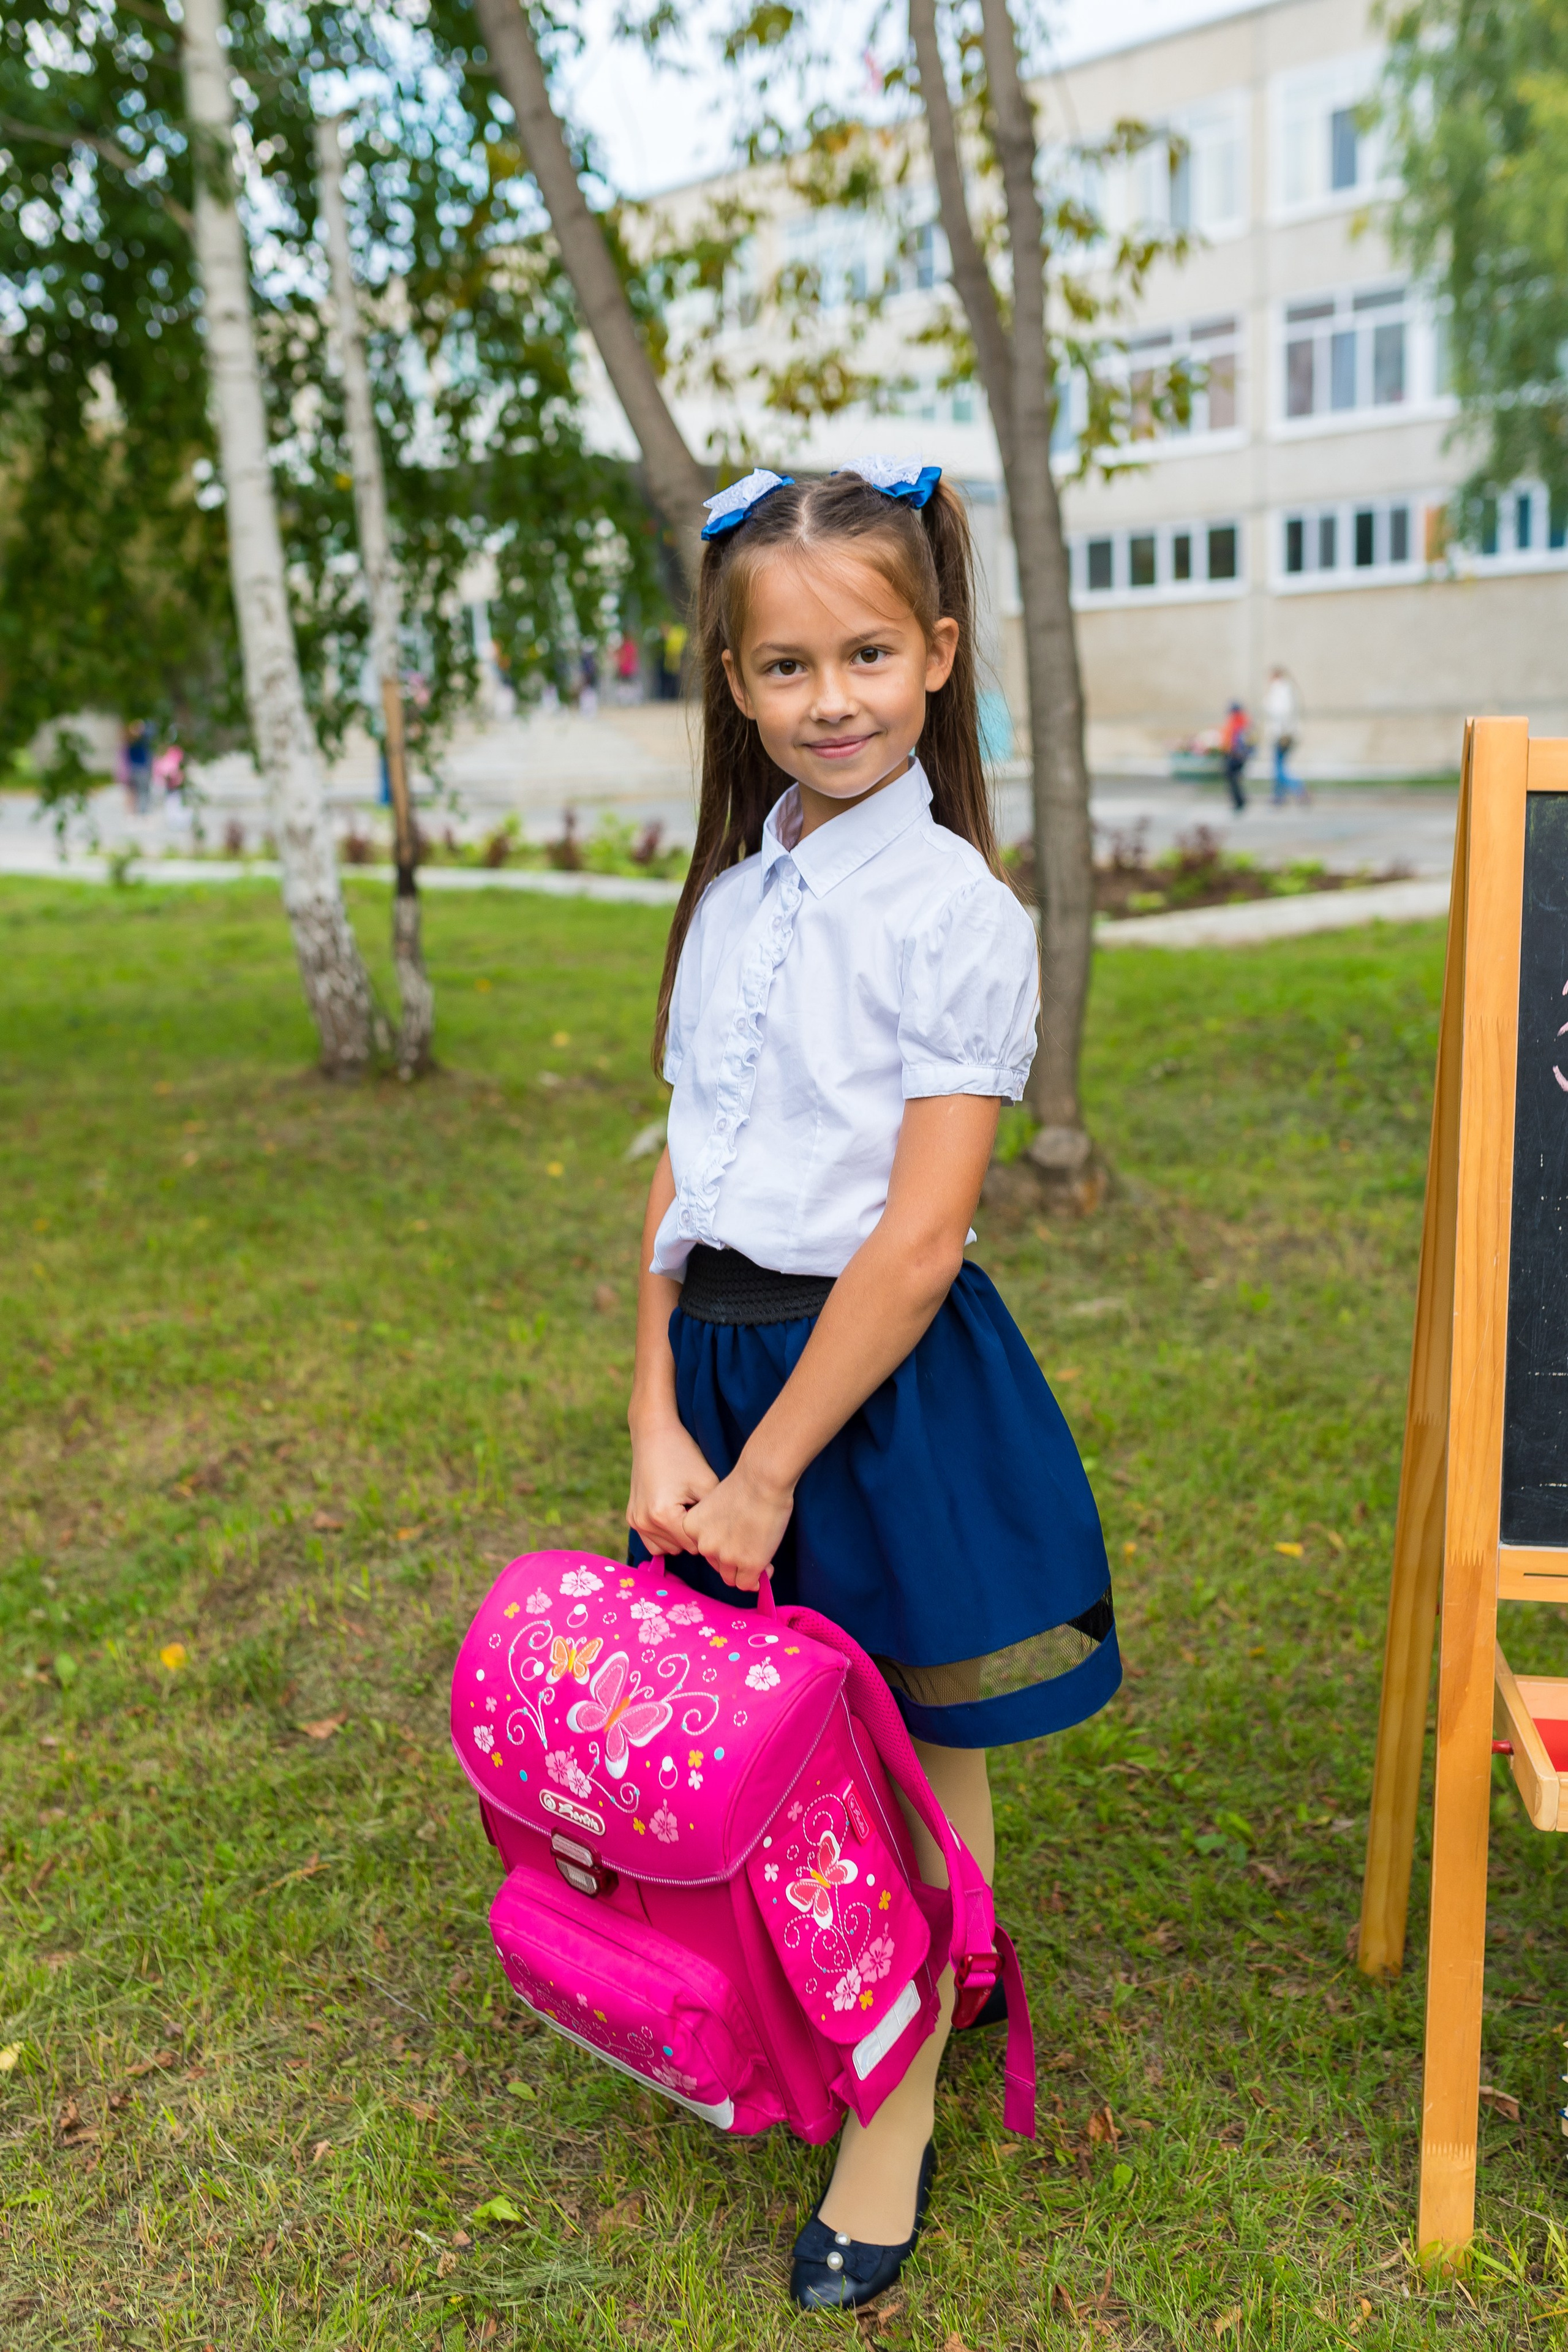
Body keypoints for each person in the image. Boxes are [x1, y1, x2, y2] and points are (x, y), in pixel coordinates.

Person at [625, 462, 1116, 2312]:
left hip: (874, 1379)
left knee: (904, 1760)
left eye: (863, 652)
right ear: (735, 686)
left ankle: (895, 2097)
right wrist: (661, 1421)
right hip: (723, 1367)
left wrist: (774, 1474)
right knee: (759, 1742)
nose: (827, 697)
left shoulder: (952, 909)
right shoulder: (731, 901)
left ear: (935, 653)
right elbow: (677, 1172)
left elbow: (916, 1243)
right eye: (783, 665)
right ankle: (826, 1979)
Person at [1264, 666, 1306, 804]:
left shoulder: (1279, 691)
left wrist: (1282, 732)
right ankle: (1279, 797)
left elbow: (1281, 713)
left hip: (1282, 735)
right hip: (1286, 733)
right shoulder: (1288, 690)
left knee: (1279, 768)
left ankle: (1299, 789)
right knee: (1279, 766)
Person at [1220, 698, 1251, 812]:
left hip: (1235, 755)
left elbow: (1233, 740)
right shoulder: (1244, 721)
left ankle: (1239, 802)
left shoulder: (1237, 722)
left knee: (1233, 779)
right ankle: (1240, 801)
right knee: (1236, 779)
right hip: (1239, 755)